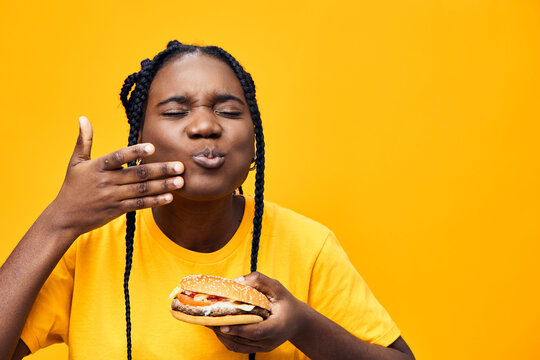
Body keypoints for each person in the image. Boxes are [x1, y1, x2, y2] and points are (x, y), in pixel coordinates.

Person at [0, 41, 415, 360]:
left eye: (230, 112)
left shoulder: (308, 245)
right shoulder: (88, 245)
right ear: (140, 139)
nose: (204, 125)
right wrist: (58, 221)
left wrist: (302, 325)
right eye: (177, 111)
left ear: (255, 145)